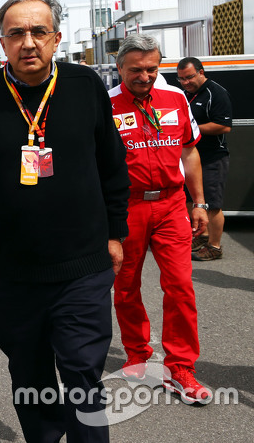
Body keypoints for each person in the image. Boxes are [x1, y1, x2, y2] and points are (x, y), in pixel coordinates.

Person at [0, 0, 130, 443]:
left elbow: (112, 165)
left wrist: (116, 233)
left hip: (83, 265)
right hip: (12, 273)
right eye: (16, 34)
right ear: (3, 42)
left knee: (81, 374)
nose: (28, 42)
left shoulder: (85, 85)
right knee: (30, 380)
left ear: (56, 38)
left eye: (39, 32)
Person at [110, 34, 212, 405]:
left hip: (171, 206)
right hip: (127, 209)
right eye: (136, 70)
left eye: (153, 68)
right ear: (119, 67)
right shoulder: (104, 105)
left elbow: (189, 152)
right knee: (125, 285)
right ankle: (138, 353)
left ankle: (181, 367)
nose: (146, 76)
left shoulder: (175, 98)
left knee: (181, 286)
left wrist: (198, 202)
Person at [176, 57, 232, 261]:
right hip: (190, 157)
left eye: (189, 77)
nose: (185, 82)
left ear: (201, 72)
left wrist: (191, 129)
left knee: (213, 205)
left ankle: (215, 247)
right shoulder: (184, 94)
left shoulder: (215, 93)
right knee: (190, 200)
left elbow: (224, 126)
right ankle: (202, 237)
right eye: (181, 78)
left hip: (212, 158)